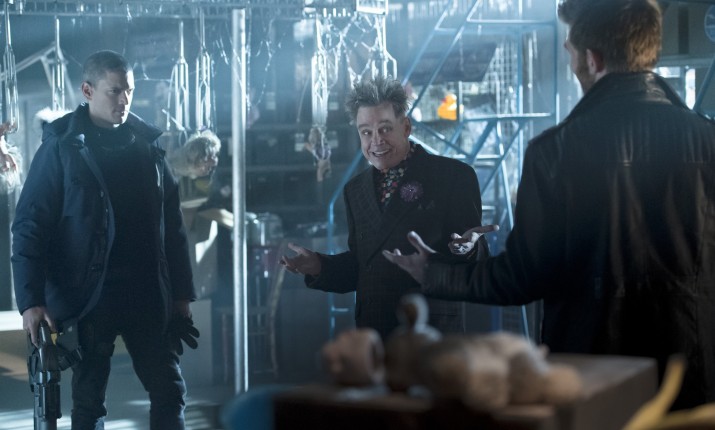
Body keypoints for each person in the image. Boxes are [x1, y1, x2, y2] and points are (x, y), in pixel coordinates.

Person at [384, 0, 715, 411]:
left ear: (592, 60)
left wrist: (434, 272)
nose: (570, 61)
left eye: (570, 50)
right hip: (695, 382)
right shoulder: (708, 142)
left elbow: (521, 278)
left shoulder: (554, 152)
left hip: (588, 381)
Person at [12, 50, 199, 429]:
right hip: (89, 297)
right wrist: (30, 301)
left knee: (169, 391)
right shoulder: (62, 147)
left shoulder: (148, 147)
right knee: (89, 402)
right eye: (114, 91)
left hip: (147, 294)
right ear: (87, 91)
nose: (124, 100)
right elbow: (30, 226)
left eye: (129, 90)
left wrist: (181, 294)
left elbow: (173, 227)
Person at [281, 75, 489, 340]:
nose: (376, 141)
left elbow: (474, 256)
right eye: (366, 132)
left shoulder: (452, 176)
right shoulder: (355, 190)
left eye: (385, 129)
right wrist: (320, 266)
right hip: (374, 334)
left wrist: (468, 250)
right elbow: (363, 266)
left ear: (406, 127)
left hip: (430, 331)